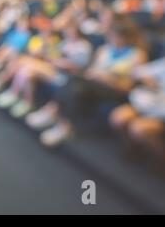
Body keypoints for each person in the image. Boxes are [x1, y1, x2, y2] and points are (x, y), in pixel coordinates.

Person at [39, 18, 148, 147]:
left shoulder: (137, 55)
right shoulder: (104, 50)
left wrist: (108, 78)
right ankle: (59, 119)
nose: (113, 39)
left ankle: (61, 121)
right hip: (94, 85)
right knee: (73, 84)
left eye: (117, 36)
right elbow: (92, 70)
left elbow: (128, 86)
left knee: (77, 85)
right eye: (111, 36)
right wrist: (95, 74)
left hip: (116, 90)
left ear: (127, 37)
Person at [110, 54, 165, 160]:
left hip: (161, 112)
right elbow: (141, 71)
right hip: (153, 103)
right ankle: (135, 151)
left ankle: (161, 163)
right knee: (118, 117)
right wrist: (149, 79)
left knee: (138, 129)